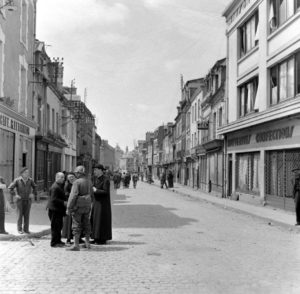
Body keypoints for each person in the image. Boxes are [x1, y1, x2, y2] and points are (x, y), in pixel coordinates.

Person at [66, 165, 93, 251]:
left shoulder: (77, 182)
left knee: (76, 224)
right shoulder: (89, 181)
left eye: (76, 173)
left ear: (78, 173)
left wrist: (68, 207)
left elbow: (73, 196)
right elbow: (92, 194)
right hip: (87, 206)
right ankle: (87, 243)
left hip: (78, 206)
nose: (75, 174)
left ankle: (76, 245)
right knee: (87, 223)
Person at [8, 167, 37, 234]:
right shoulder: (17, 180)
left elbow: (35, 187)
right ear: (22, 173)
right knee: (19, 215)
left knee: (27, 215)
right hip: (20, 201)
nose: (27, 174)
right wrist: (15, 195)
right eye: (25, 172)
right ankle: (19, 229)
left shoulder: (30, 180)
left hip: (28, 200)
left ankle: (26, 229)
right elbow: (10, 188)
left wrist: (33, 194)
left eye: (28, 172)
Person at [90, 164, 112, 245]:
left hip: (103, 204)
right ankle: (95, 237)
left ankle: (102, 239)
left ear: (100, 170)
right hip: (96, 202)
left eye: (95, 170)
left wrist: (95, 190)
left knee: (101, 221)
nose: (94, 171)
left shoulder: (106, 180)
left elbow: (106, 192)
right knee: (95, 220)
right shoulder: (95, 179)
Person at [48, 172, 67, 248]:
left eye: (63, 177)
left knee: (59, 226)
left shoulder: (59, 186)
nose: (63, 179)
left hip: (58, 210)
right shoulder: (55, 187)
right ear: (57, 178)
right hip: (54, 210)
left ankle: (58, 240)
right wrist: (63, 202)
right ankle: (54, 242)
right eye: (61, 177)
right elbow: (53, 199)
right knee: (55, 226)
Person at [62, 172, 76, 245]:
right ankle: (68, 239)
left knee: (76, 222)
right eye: (69, 177)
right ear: (67, 178)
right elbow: (66, 194)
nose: (71, 178)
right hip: (69, 205)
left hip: (76, 205)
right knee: (69, 222)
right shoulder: (67, 185)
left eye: (72, 176)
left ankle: (78, 238)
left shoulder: (76, 184)